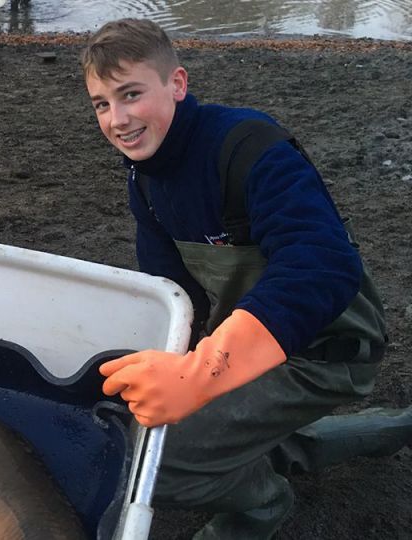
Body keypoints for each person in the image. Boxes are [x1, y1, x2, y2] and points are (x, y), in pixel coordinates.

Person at [81, 18, 411, 539]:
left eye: (130, 94)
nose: (117, 119)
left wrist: (201, 375)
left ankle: (263, 503)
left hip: (327, 349)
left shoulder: (249, 147)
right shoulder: (145, 180)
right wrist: (170, 364)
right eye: (102, 103)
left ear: (178, 84)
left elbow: (321, 264)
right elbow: (175, 292)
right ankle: (395, 427)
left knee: (150, 465)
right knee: (137, 426)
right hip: (245, 339)